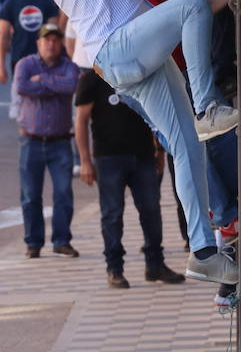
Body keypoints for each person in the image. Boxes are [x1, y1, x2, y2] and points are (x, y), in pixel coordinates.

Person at [30, 0, 241, 285]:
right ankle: (207, 106)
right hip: (119, 46)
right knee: (194, 6)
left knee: (189, 147)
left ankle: (203, 252)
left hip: (134, 49)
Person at [75, 69, 183, 288]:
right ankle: (114, 268)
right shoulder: (93, 77)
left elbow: (154, 112)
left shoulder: (138, 72)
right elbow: (81, 120)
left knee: (151, 210)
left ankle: (155, 265)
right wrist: (85, 160)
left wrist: (159, 151)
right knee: (112, 214)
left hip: (143, 154)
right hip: (108, 157)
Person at [14, 24, 77, 259]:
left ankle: (61, 241)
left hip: (60, 141)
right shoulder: (26, 64)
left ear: (61, 43)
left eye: (55, 40)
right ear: (38, 43)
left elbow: (71, 85)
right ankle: (33, 242)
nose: (51, 44)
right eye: (46, 40)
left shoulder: (68, 66)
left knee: (63, 193)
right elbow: (22, 86)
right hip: (30, 140)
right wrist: (54, 85)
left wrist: (43, 80)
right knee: (30, 195)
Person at [0, 0, 58, 119]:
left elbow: (54, 32)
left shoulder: (45, 1)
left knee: (45, 97)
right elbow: (3, 37)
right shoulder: (9, 4)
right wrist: (1, 66)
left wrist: (57, 56)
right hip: (19, 57)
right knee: (19, 105)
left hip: (44, 58)